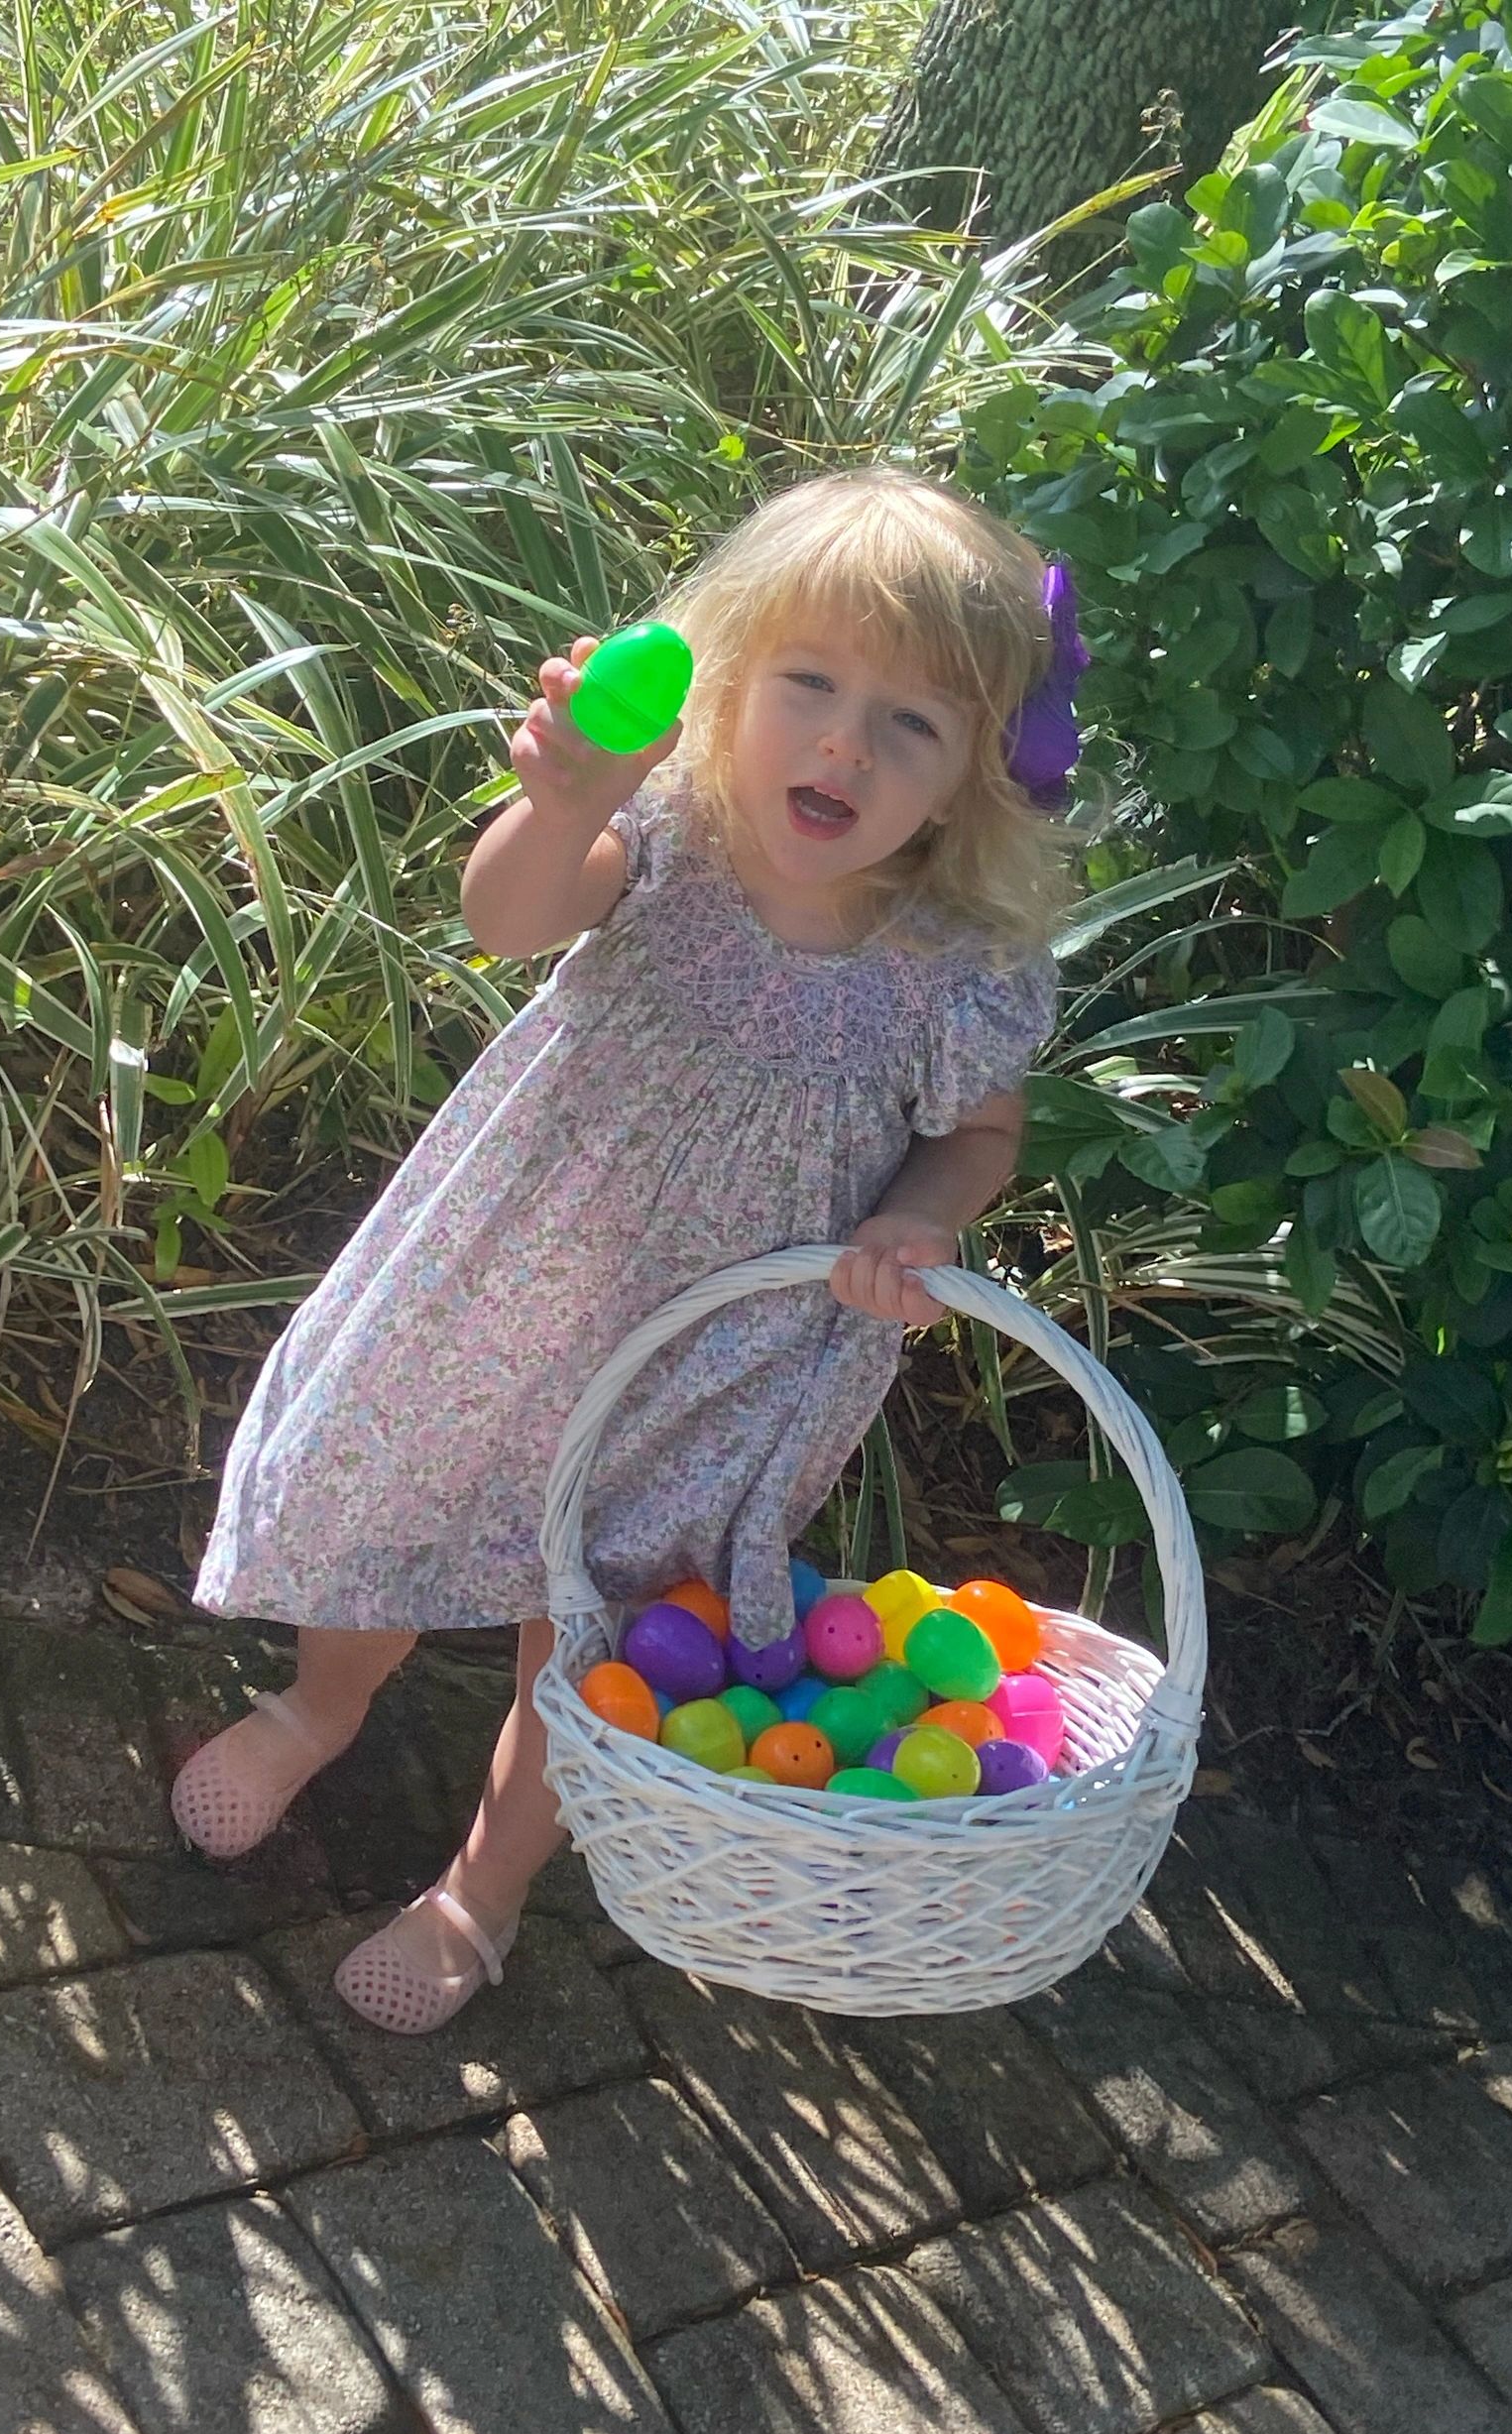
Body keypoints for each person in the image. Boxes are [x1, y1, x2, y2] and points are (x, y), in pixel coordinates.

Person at [177, 465, 1076, 2034]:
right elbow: (508, 916)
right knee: (402, 1483)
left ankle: (485, 1892)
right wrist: (571, 797)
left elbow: (980, 1133)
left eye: (912, 724)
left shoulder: (956, 969)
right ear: (728, 681)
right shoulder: (671, 835)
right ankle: (315, 1706)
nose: (844, 744)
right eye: (810, 683)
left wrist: (924, 1212)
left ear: (971, 779)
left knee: (594, 1622)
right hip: (515, 1268)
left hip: (727, 1347)